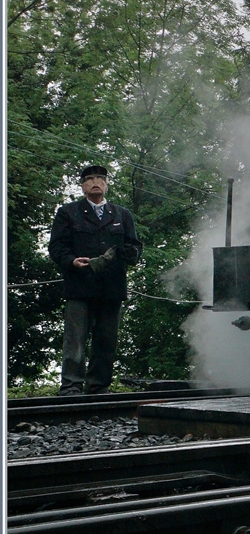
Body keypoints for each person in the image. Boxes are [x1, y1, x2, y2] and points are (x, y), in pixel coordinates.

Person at [48, 165, 142, 395]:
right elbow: (56, 247)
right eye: (89, 179)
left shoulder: (122, 214)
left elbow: (136, 247)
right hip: (79, 285)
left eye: (100, 178)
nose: (95, 182)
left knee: (106, 340)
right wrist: (71, 261)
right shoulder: (68, 212)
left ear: (107, 184)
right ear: (82, 186)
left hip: (112, 287)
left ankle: (99, 386)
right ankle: (71, 385)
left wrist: (133, 254)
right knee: (75, 339)